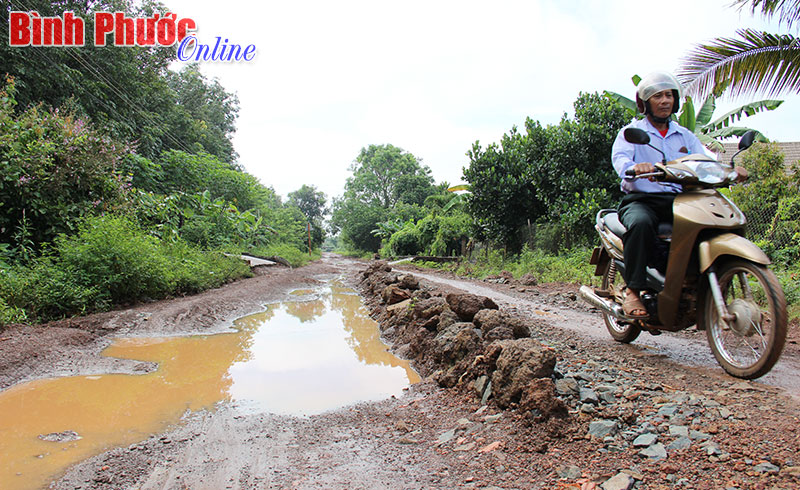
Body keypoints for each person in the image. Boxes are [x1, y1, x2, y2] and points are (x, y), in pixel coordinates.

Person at [610, 71, 746, 318]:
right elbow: (620, 161)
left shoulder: (685, 136)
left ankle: (694, 281)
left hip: (681, 200)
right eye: (658, 96)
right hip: (642, 200)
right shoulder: (631, 132)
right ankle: (633, 290)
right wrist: (635, 168)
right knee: (640, 224)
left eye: (669, 95)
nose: (665, 101)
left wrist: (731, 171)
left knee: (711, 224)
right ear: (645, 103)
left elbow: (705, 161)